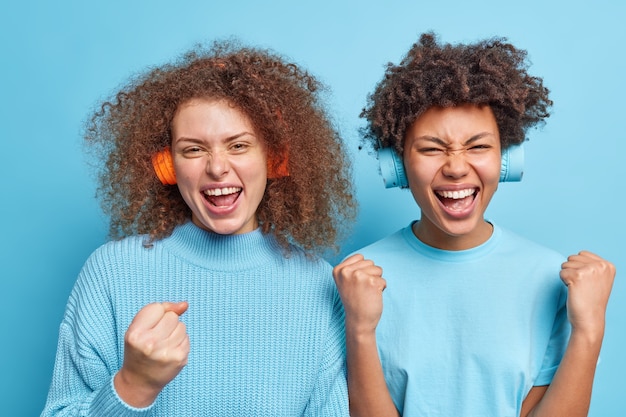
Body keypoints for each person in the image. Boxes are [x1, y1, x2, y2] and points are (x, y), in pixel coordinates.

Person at [41, 40, 355, 416]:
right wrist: (133, 386)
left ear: (275, 158)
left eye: (238, 145)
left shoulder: (319, 286)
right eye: (193, 150)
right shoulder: (110, 272)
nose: (217, 167)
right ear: (166, 166)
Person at [333, 32, 615, 417]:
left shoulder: (553, 279)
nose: (455, 167)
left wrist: (589, 330)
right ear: (398, 164)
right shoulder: (355, 281)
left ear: (506, 159)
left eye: (478, 146)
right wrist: (360, 330)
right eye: (432, 148)